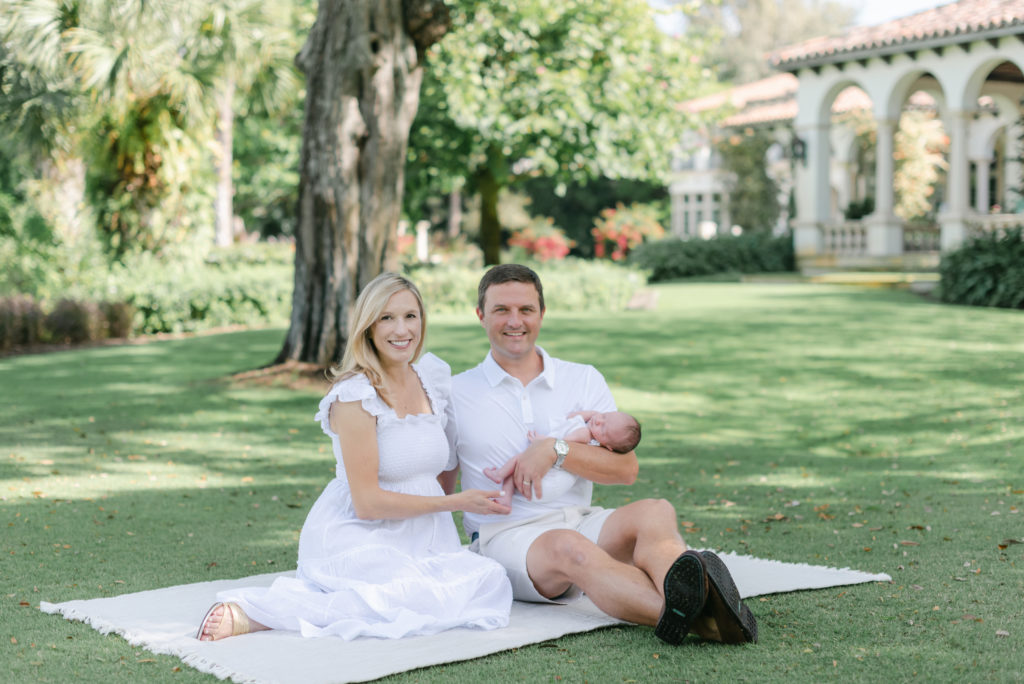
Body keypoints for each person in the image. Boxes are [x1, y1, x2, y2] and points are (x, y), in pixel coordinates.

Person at [445, 264, 757, 645]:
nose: (515, 321)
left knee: (656, 510)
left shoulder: (582, 378)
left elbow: (625, 469)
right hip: (506, 538)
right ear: (480, 315)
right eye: (501, 310)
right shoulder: (455, 393)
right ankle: (709, 621)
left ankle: (686, 596)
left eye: (526, 310)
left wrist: (555, 449)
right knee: (569, 546)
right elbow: (441, 487)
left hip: (583, 521)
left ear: (542, 313)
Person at [197, 273, 513, 641]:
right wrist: (456, 503)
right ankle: (258, 612)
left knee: (489, 582)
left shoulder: (433, 377)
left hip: (425, 535)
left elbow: (441, 463)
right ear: (368, 327)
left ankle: (356, 597)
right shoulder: (354, 395)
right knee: (402, 594)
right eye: (387, 317)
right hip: (360, 531)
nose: (402, 329)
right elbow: (367, 503)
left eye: (411, 316)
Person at [484, 410, 642, 507]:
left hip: (550, 481)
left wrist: (540, 441)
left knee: (521, 459)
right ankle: (506, 499)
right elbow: (575, 417)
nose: (598, 420)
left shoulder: (584, 434)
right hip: (550, 486)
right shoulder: (594, 435)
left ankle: (499, 475)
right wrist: (594, 415)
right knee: (521, 467)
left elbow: (561, 443)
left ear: (608, 446)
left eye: (603, 427)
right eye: (605, 416)